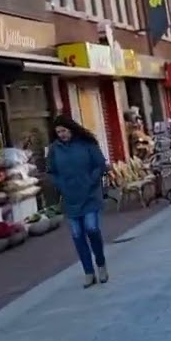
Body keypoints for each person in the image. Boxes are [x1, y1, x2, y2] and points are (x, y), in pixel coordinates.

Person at [47, 115, 110, 288]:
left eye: (64, 130)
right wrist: (59, 185)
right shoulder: (54, 150)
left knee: (92, 229)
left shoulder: (86, 144)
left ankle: (101, 264)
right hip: (70, 198)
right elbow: (51, 171)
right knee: (77, 235)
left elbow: (100, 165)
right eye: (58, 132)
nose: (61, 134)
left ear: (71, 129)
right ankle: (88, 272)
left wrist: (91, 180)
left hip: (89, 195)